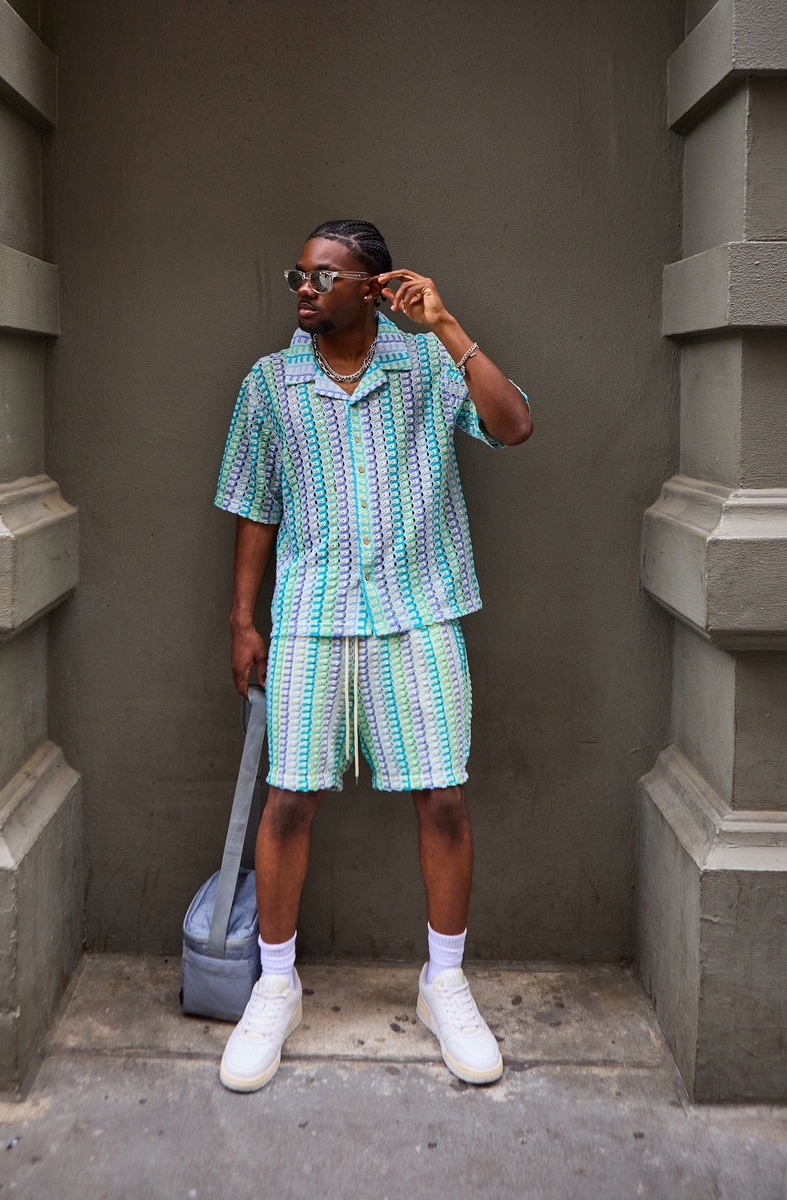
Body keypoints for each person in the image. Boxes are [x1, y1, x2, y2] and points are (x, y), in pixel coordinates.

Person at [213, 219, 532, 1093]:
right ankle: (276, 989)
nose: (306, 288)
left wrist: (447, 327)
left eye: (324, 275)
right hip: (311, 617)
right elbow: (254, 507)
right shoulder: (270, 385)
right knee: (288, 804)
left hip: (419, 611)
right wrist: (244, 621)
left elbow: (514, 426)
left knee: (444, 799)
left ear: (373, 287)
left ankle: (445, 984)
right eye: (299, 276)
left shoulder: (427, 366)